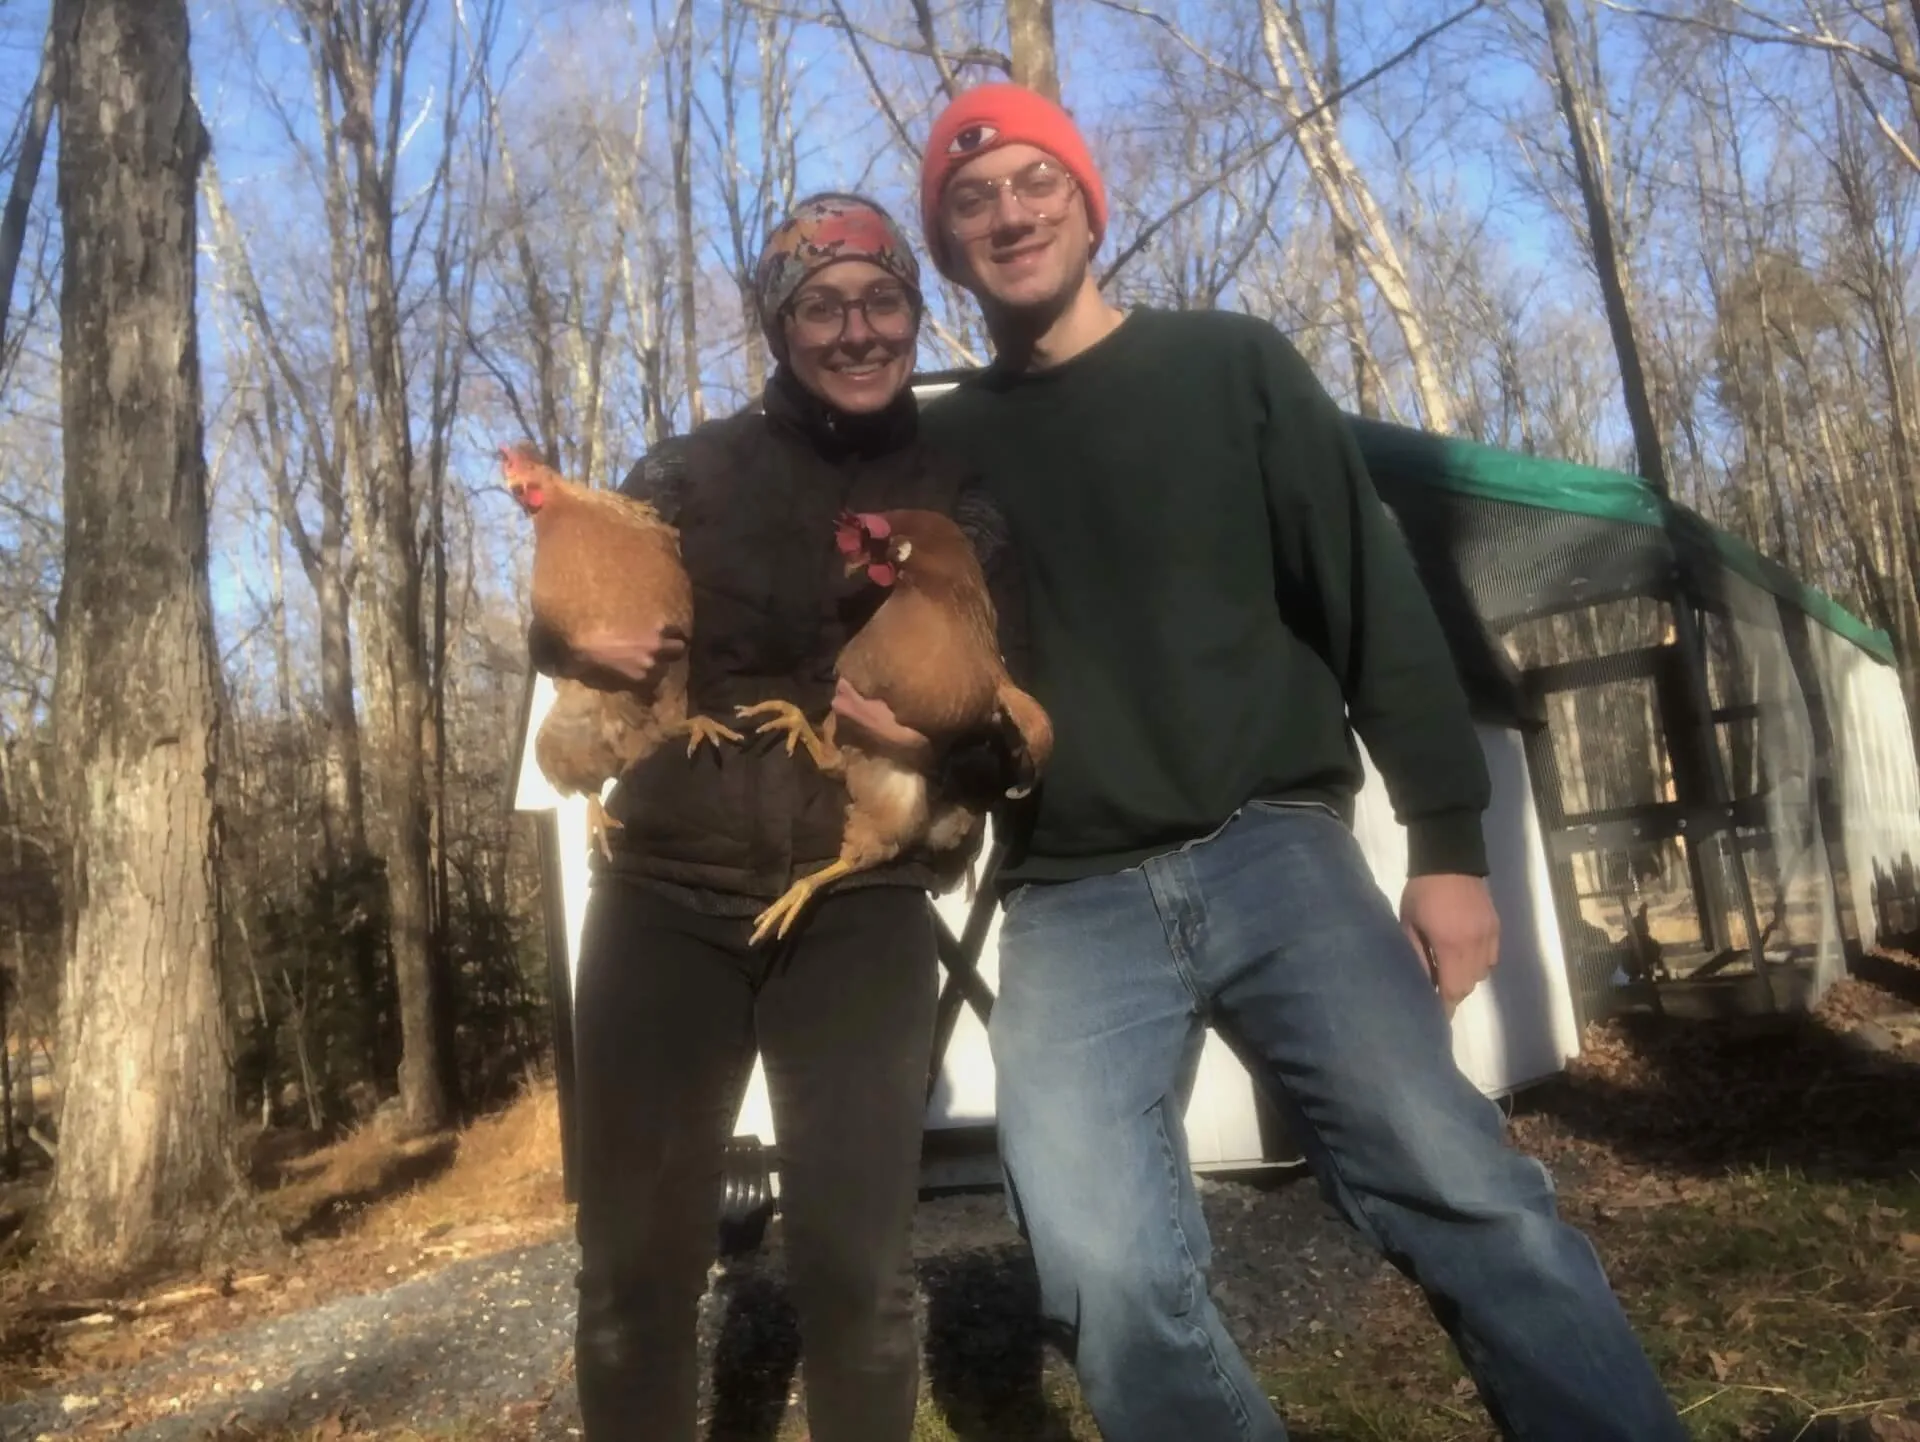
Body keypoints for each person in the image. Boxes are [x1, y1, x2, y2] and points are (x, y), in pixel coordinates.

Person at [875, 81, 1690, 1442]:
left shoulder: (1230, 366)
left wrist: (1445, 843)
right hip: (1067, 898)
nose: (1009, 212)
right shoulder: (941, 451)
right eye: (972, 200)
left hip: (1272, 849)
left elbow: (1369, 592)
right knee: (1100, 1268)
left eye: (1034, 182)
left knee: (1462, 1190)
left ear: (1087, 202)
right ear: (949, 247)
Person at [531, 193, 1027, 1442]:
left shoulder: (961, 493)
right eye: (822, 304)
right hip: (662, 897)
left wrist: (962, 741)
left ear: (916, 312)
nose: (857, 329)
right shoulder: (689, 471)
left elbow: (1008, 698)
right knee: (631, 1275)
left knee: (861, 1275)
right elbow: (581, 609)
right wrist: (556, 632)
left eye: (883, 301)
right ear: (778, 323)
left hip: (857, 900)